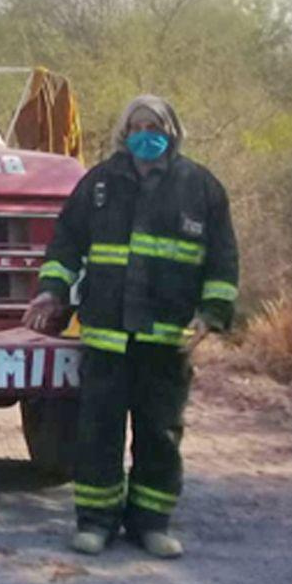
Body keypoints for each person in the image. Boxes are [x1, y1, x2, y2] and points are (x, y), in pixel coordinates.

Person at [23, 95, 239, 560]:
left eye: (155, 125)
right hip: (106, 336)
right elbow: (66, 244)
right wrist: (50, 290)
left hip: (167, 340)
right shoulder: (99, 183)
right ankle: (96, 523)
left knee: (160, 434)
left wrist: (211, 313)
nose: (146, 133)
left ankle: (151, 524)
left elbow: (222, 260)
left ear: (172, 130)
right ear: (125, 131)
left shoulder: (200, 187)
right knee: (98, 432)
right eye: (138, 125)